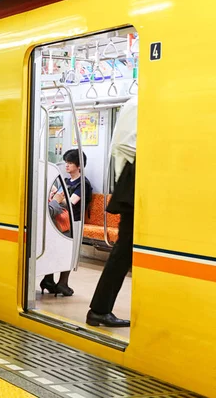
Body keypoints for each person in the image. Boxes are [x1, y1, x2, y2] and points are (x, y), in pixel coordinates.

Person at [87, 96, 138, 327]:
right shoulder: (139, 103)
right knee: (123, 251)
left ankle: (99, 309)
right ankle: (99, 309)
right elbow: (125, 146)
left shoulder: (137, 102)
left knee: (123, 251)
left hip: (132, 185)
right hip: (134, 185)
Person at [40, 149, 92, 297]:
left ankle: (61, 282)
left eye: (70, 163)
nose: (66, 166)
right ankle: (50, 280)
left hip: (73, 222)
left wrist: (58, 198)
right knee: (53, 248)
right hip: (60, 220)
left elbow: (71, 203)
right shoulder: (66, 181)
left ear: (79, 165)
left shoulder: (83, 184)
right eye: (66, 162)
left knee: (68, 252)